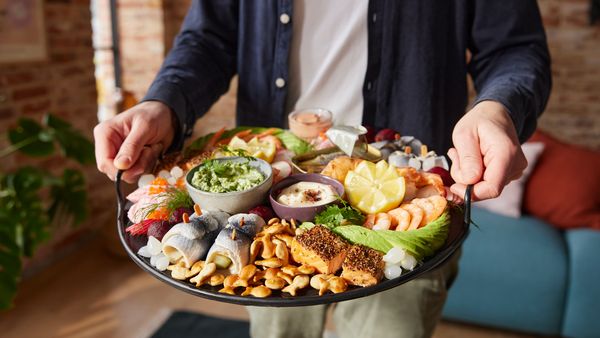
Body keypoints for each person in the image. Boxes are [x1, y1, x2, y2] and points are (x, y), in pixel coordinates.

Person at [94, 1, 551, 337]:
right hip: (271, 206)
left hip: (401, 196)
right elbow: (207, 40)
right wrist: (163, 103)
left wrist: (498, 109)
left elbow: (515, 47)